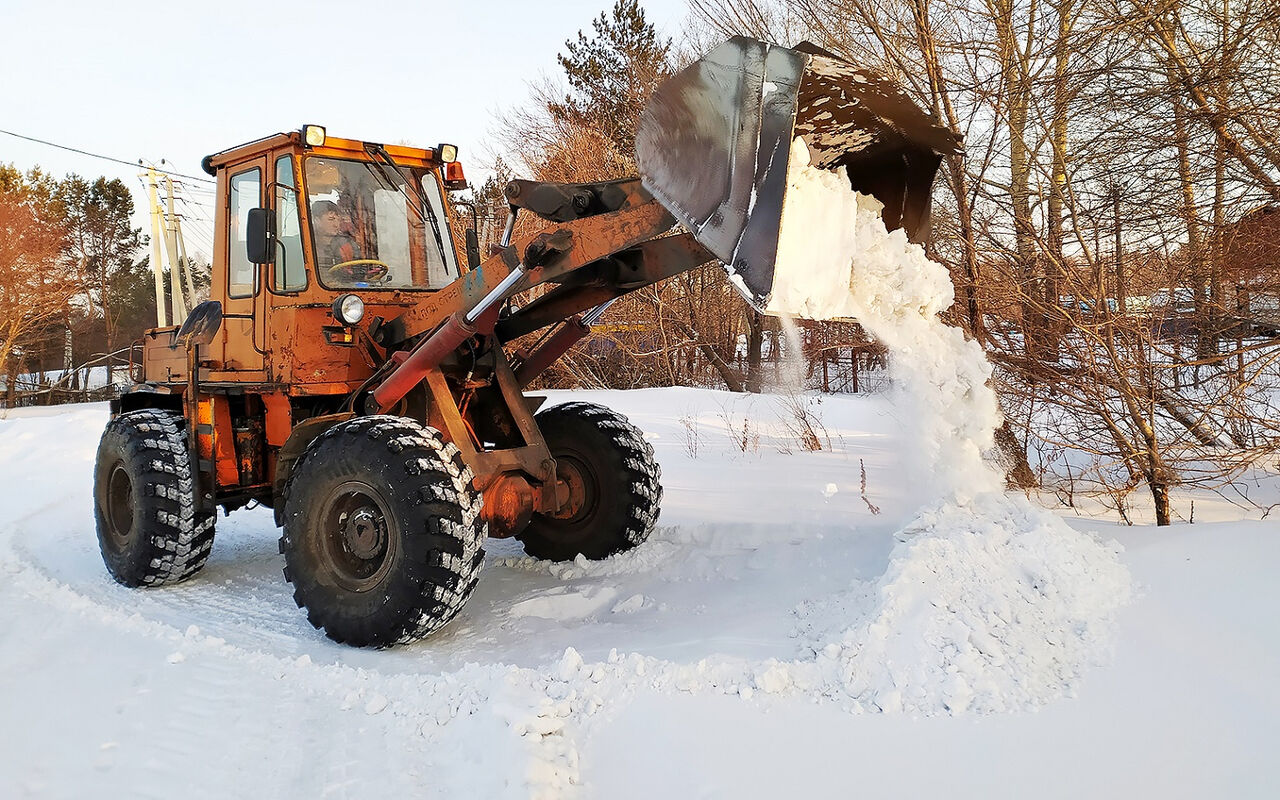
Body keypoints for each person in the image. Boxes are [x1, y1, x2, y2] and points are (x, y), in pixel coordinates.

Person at [311, 199, 372, 284]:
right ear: (316, 220)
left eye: (338, 220)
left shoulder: (347, 244)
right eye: (331, 219)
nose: (336, 224)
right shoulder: (304, 245)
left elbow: (359, 269)